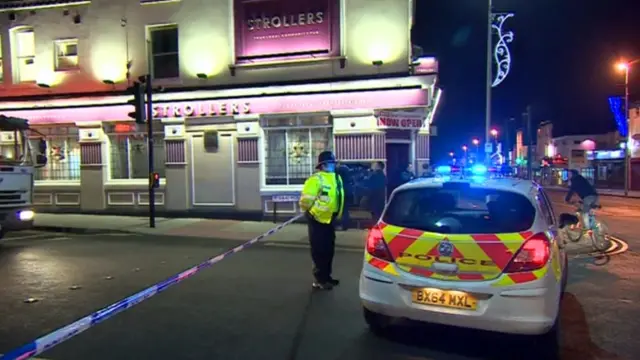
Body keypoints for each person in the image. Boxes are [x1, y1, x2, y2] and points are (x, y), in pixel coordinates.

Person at [299, 151, 345, 290]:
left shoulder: (337, 178)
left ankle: (327, 277)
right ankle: (320, 279)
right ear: (322, 165)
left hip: (330, 220)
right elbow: (306, 200)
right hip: (317, 219)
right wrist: (308, 210)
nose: (332, 165)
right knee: (319, 251)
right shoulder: (316, 179)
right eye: (329, 163)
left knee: (329, 251)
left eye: (332, 163)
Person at [336, 162, 352, 231]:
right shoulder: (347, 169)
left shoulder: (339, 170)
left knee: (341, 209)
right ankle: (345, 225)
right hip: (347, 191)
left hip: (341, 192)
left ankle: (341, 225)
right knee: (345, 209)